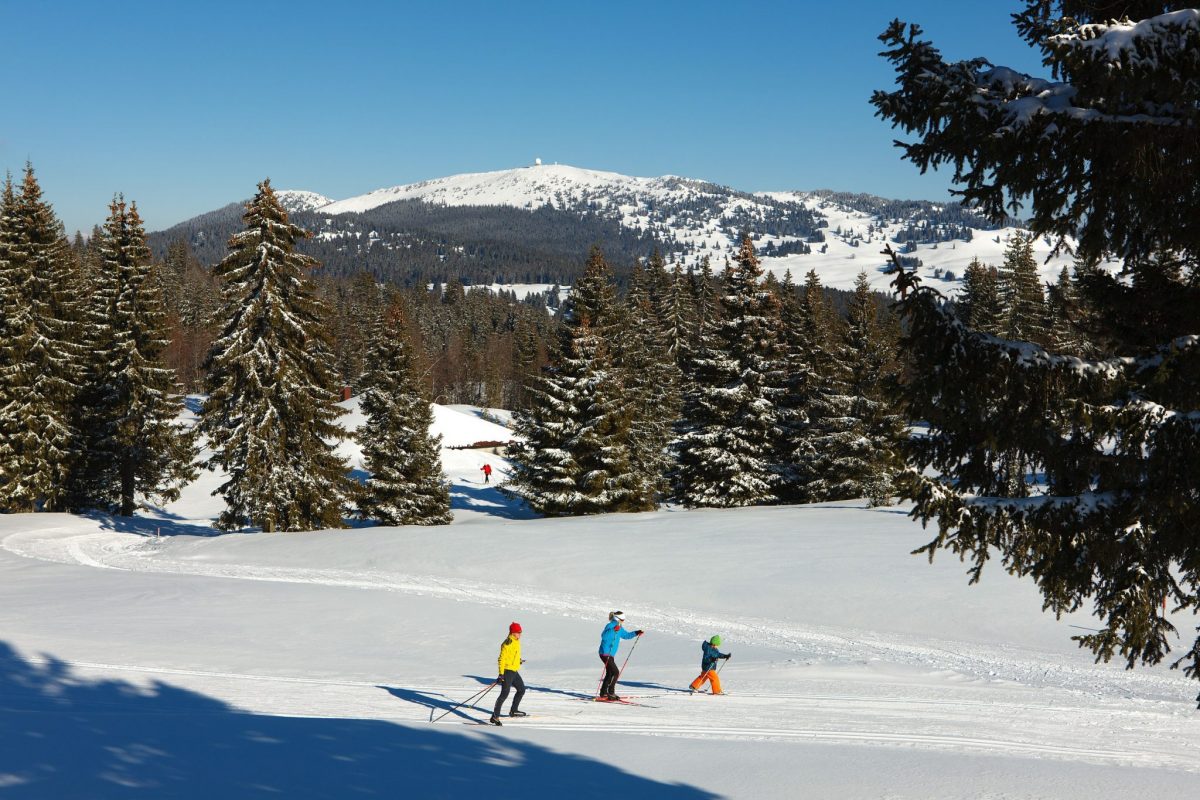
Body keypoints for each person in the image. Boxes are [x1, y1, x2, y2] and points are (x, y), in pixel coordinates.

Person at [597, 610, 642, 701]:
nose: (623, 622)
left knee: (610, 673)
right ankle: (610, 692)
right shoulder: (610, 625)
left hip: (610, 654)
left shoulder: (619, 627)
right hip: (605, 653)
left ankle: (603, 693)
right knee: (615, 672)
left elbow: (626, 635)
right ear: (617, 619)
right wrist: (614, 630)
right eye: (622, 620)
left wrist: (636, 632)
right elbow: (604, 636)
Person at [490, 622, 525, 725]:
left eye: (520, 632)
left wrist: (518, 660)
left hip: (514, 670)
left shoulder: (516, 641)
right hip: (507, 671)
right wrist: (501, 674)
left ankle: (513, 711)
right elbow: (501, 659)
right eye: (518, 632)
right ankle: (495, 717)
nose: (520, 634)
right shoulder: (507, 643)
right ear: (513, 632)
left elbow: (513, 655)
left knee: (521, 690)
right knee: (504, 694)